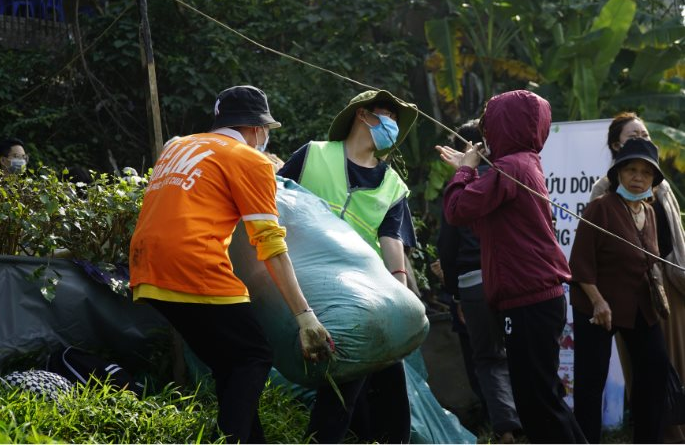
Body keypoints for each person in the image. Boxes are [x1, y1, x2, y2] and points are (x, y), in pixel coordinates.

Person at [129, 85, 333, 444]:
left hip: (146, 268)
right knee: (254, 356)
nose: (266, 138)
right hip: (193, 263)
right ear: (256, 128)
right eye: (267, 130)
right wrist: (305, 317)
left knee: (231, 364)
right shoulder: (249, 159)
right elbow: (269, 243)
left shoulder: (178, 146)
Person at [436, 90, 586, 443]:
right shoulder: (524, 163)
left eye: (491, 123)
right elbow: (485, 219)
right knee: (542, 399)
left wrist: (464, 170)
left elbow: (457, 210)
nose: (487, 133)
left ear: (506, 125)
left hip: (529, 299)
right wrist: (470, 172)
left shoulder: (510, 168)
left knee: (539, 404)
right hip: (534, 297)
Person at [278, 89, 418, 444]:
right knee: (353, 374)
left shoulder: (392, 186)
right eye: (387, 116)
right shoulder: (314, 155)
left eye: (395, 124)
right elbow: (271, 197)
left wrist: (401, 299)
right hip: (300, 279)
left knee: (383, 370)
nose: (392, 127)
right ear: (362, 115)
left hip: (360, 289)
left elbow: (391, 244)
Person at [589, 112, 685, 443]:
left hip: (667, 287)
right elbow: (588, 255)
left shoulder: (661, 186)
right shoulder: (603, 193)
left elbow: (673, 240)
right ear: (617, 145)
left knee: (667, 365)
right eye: (633, 136)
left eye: (645, 134)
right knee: (628, 372)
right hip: (620, 297)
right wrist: (598, 298)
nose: (642, 139)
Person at [570, 138, 670, 443]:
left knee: (655, 371)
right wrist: (598, 302)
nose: (638, 178)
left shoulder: (650, 212)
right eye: (631, 170)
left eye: (645, 172)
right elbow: (580, 262)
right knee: (591, 382)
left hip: (639, 305)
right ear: (618, 175)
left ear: (654, 180)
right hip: (596, 305)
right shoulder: (600, 208)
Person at [436, 119, 522, 444]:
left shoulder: (462, 189)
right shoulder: (513, 179)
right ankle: (535, 421)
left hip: (473, 285)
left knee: (488, 358)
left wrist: (455, 295)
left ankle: (506, 430)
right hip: (514, 280)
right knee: (521, 353)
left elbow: (448, 247)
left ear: (469, 151)